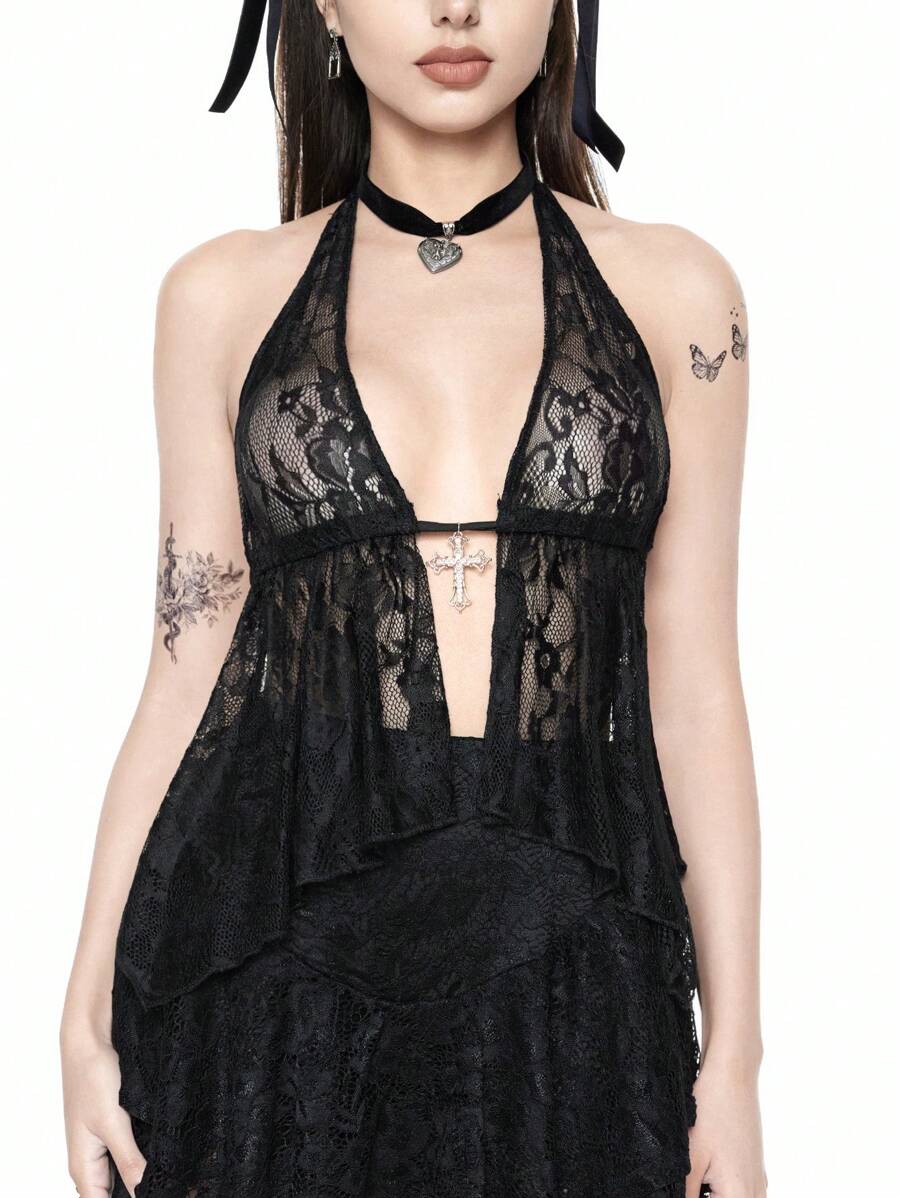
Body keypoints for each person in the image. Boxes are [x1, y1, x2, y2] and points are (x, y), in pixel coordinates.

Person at [59, 2, 767, 1196]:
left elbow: (695, 685)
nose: (454, 6)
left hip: (576, 975)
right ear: (327, 8)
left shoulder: (679, 292)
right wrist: (82, 1017)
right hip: (273, 972)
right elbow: (184, 674)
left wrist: (735, 1057)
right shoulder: (220, 297)